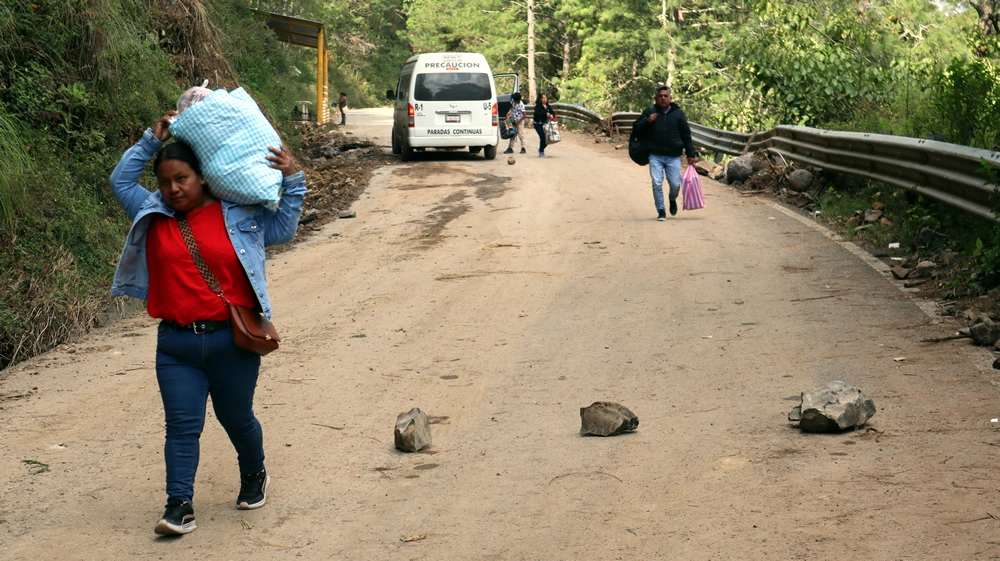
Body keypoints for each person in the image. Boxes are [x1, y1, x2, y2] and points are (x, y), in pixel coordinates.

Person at [108, 110, 306, 536]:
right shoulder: (153, 211)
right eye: (165, 181)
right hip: (176, 345)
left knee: (236, 418)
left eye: (181, 178)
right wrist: (150, 141)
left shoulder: (237, 214)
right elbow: (120, 181)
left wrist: (293, 178)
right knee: (182, 428)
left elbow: (284, 228)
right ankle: (179, 505)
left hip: (231, 341)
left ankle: (254, 472)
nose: (173, 189)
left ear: (202, 176)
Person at [632, 85, 697, 220]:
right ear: (655, 98)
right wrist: (647, 121)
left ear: (670, 98)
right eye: (660, 96)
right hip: (655, 155)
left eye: (665, 96)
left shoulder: (678, 114)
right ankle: (661, 210)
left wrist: (690, 154)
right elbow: (636, 128)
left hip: (674, 156)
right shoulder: (649, 112)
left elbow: (686, 134)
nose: (663, 98)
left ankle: (672, 199)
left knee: (675, 185)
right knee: (657, 183)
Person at [532, 93, 557, 158]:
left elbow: (553, 112)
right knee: (542, 137)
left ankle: (541, 148)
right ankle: (541, 152)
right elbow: (537, 114)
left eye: (545, 98)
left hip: (546, 124)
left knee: (548, 138)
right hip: (538, 124)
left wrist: (552, 115)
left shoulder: (548, 106)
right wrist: (545, 114)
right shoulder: (538, 106)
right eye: (543, 98)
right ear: (540, 99)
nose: (544, 99)